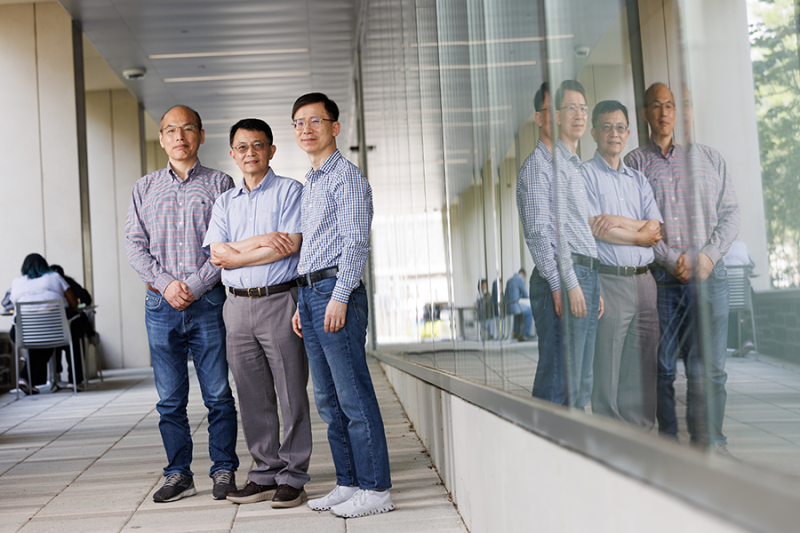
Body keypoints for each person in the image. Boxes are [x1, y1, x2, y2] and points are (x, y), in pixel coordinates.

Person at [125, 105, 239, 502]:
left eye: (187, 129)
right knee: (169, 400)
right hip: (160, 308)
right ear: (161, 138)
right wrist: (166, 284)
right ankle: (178, 473)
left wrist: (192, 285)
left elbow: (227, 245)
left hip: (208, 303)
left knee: (218, 395)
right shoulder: (143, 188)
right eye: (170, 130)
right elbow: (135, 247)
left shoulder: (221, 183)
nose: (179, 136)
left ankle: (224, 469)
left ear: (201, 136)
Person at [289, 92, 394, 518]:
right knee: (329, 400)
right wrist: (302, 300)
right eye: (298, 122)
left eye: (315, 121)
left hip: (336, 292)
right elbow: (312, 247)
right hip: (311, 294)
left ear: (335, 127)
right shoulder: (312, 181)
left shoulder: (346, 178)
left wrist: (339, 296)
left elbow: (355, 244)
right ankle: (349, 481)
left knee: (353, 396)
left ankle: (377, 489)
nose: (306, 129)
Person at [625, 83, 740, 455]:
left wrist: (707, 256)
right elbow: (634, 223)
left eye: (671, 105)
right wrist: (669, 258)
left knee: (710, 370)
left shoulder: (712, 159)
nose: (664, 112)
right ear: (645, 113)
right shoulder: (635, 164)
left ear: (684, 112)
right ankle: (671, 445)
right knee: (662, 369)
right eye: (656, 106)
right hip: (663, 280)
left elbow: (731, 214)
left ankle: (712, 442)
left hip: (711, 279)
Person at [203, 118, 312, 508]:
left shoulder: (289, 191)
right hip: (236, 308)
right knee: (251, 394)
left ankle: (293, 475)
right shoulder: (224, 202)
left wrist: (239, 252)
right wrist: (261, 241)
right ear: (233, 154)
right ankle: (264, 472)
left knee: (289, 391)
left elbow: (290, 246)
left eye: (258, 145)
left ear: (271, 150)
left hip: (279, 301)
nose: (251, 153)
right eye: (243, 147)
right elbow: (217, 255)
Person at [517, 80, 603, 409]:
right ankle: (543, 454)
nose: (575, 115)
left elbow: (577, 229)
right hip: (565, 278)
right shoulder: (538, 168)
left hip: (582, 275)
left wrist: (593, 281)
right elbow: (541, 233)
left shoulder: (570, 165)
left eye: (582, 108)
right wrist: (563, 284)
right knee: (557, 383)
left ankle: (571, 455)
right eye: (567, 109)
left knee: (579, 383)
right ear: (540, 118)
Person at [581, 100, 663, 429]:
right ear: (594, 133)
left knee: (642, 368)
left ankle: (641, 438)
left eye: (619, 127)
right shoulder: (583, 175)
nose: (613, 134)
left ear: (628, 134)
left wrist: (617, 222)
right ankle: (610, 441)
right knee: (609, 368)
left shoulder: (639, 180)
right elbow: (593, 227)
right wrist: (638, 232)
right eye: (606, 127)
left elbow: (656, 229)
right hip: (609, 281)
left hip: (645, 283)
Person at [8, 253, 80, 394]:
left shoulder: (17, 282)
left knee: (40, 341)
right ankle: (75, 380)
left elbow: (13, 304)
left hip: (23, 333)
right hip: (55, 330)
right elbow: (73, 304)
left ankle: (26, 379)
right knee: (75, 328)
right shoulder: (54, 277)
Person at [504, 269, 533, 341]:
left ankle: (516, 332)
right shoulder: (520, 279)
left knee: (518, 313)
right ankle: (526, 333)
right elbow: (525, 294)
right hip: (515, 305)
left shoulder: (509, 280)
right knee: (529, 312)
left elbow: (506, 295)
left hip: (508, 307)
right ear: (523, 275)